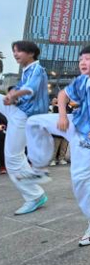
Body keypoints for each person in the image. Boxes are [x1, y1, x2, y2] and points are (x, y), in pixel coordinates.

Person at [24, 45, 90, 246]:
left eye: (87, 59)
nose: (82, 62)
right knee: (33, 121)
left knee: (80, 178)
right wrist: (62, 115)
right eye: (81, 59)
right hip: (75, 122)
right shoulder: (83, 80)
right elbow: (63, 93)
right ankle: (39, 162)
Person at [0, 41, 49, 214]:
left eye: (19, 51)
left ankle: (34, 196)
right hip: (19, 111)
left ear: (31, 53)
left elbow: (30, 89)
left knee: (13, 158)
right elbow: (21, 89)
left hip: (24, 115)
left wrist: (14, 94)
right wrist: (12, 95)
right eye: (14, 51)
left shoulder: (37, 69)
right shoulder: (27, 70)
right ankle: (35, 186)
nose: (15, 54)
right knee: (16, 157)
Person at [48, 97, 69, 166]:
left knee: (64, 146)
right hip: (57, 130)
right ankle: (52, 159)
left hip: (66, 130)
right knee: (55, 146)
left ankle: (61, 159)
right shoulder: (56, 107)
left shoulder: (69, 108)